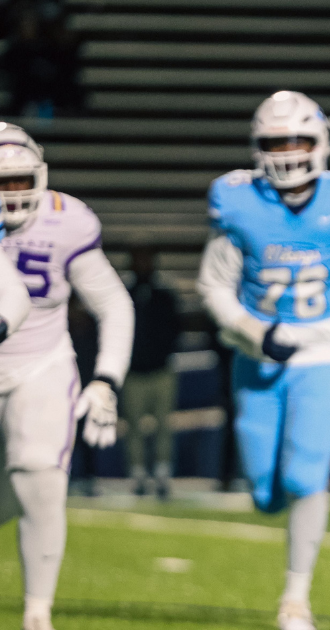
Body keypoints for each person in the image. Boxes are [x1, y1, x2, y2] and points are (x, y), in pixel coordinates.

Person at [196, 91, 330, 630]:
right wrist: (255, 331)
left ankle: (295, 600)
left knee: (306, 475)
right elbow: (213, 287)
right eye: (275, 142)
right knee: (265, 490)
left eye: (298, 141)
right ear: (257, 147)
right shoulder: (239, 202)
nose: (287, 153)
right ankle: (273, 514)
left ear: (321, 143)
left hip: (328, 350)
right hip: (256, 356)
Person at [0, 122, 134, 630]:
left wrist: (106, 380)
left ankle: (37, 613)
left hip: (40, 363)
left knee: (40, 475)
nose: (12, 194)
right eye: (1, 182)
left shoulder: (65, 219)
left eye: (20, 180)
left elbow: (113, 305)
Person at [122, 246, 181, 499]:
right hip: (133, 371)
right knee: (133, 427)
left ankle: (162, 474)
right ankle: (137, 475)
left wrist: (162, 352)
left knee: (163, 426)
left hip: (160, 369)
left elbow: (174, 328)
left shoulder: (164, 294)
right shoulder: (124, 294)